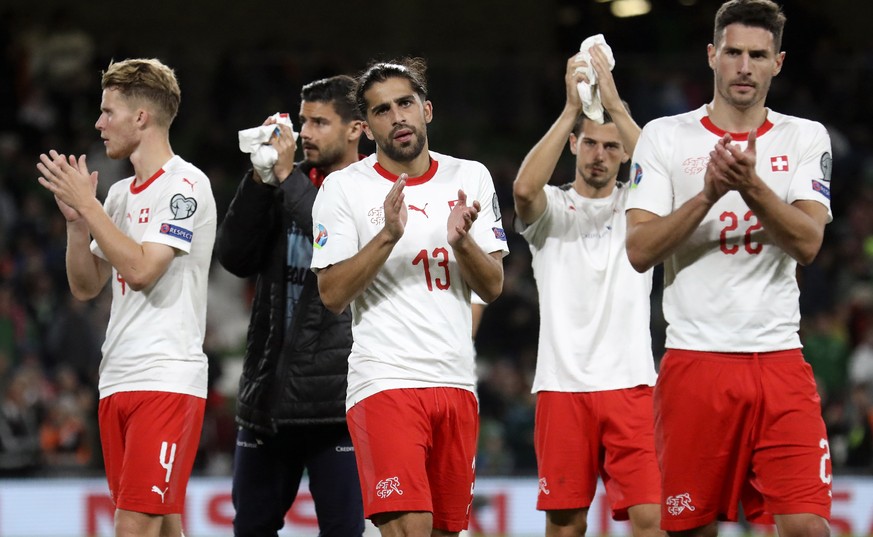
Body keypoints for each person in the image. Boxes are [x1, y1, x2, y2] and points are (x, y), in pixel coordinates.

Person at [625, 1, 833, 536]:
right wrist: (708, 195)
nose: (745, 66)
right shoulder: (665, 135)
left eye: (758, 55)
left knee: (808, 526)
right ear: (712, 55)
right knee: (690, 530)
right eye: (734, 52)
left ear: (778, 63)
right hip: (696, 361)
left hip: (779, 360)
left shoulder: (805, 137)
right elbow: (639, 249)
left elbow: (808, 242)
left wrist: (751, 185)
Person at [310, 57, 509, 536]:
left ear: (427, 110)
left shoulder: (471, 176)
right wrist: (386, 236)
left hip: (457, 383)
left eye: (405, 103)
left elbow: (492, 286)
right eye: (381, 110)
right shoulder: (343, 189)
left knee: (446, 531)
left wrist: (462, 243)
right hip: (385, 381)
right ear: (367, 125)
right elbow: (332, 294)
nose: (396, 116)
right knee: (409, 528)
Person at [36, 58, 216, 537]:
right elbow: (86, 285)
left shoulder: (185, 186)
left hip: (166, 377)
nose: (99, 123)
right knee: (160, 522)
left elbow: (139, 270)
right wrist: (78, 221)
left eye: (107, 111)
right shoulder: (117, 196)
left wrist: (90, 206)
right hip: (118, 378)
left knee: (133, 523)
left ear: (142, 117)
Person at [513, 44, 662, 537]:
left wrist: (616, 107)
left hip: (633, 383)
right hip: (562, 386)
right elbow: (522, 192)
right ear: (574, 145)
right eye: (591, 143)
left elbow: (669, 174)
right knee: (565, 524)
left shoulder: (639, 208)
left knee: (654, 519)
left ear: (624, 154)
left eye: (612, 146)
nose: (601, 155)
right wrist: (571, 109)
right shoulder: (552, 209)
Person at [216, 75, 365, 537]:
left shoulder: (374, 189)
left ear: (356, 128)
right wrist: (260, 180)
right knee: (252, 529)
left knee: (343, 532)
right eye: (304, 120)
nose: (306, 133)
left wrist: (285, 178)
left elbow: (336, 244)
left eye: (321, 122)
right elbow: (236, 258)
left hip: (337, 406)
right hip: (269, 397)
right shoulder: (285, 182)